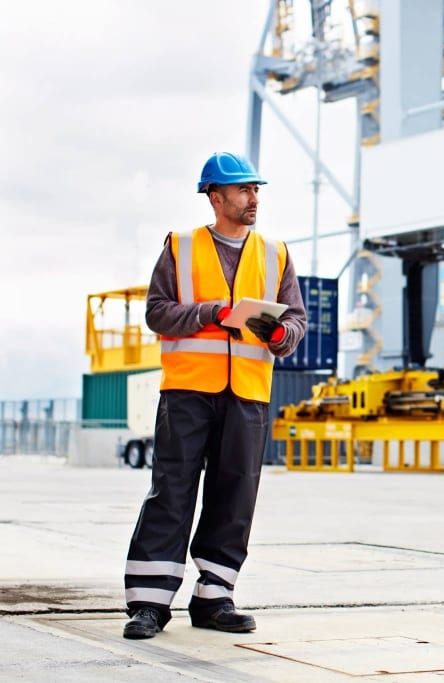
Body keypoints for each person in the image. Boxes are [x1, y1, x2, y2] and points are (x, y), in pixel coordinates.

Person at [122, 152, 307, 639]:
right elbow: (158, 313)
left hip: (247, 394)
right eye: (243, 190)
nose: (253, 199)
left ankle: (214, 597)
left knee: (235, 495)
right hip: (187, 390)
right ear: (215, 196)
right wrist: (210, 312)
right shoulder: (181, 247)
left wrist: (279, 335)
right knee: (172, 491)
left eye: (256, 190)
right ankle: (149, 603)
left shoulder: (276, 253)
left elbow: (296, 321)